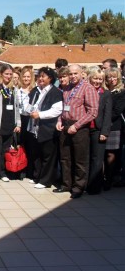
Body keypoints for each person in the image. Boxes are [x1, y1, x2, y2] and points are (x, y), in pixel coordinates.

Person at [54, 64, 99, 198]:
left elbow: (93, 112)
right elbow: (63, 107)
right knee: (65, 157)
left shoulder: (88, 88)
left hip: (79, 127)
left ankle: (78, 187)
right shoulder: (66, 88)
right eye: (71, 74)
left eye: (75, 73)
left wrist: (77, 125)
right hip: (65, 125)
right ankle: (66, 184)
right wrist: (59, 120)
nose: (73, 76)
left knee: (80, 159)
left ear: (81, 73)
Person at [26, 67, 63, 189]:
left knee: (48, 156)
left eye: (43, 76)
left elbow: (56, 110)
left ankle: (46, 180)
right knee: (37, 154)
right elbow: (29, 104)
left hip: (48, 129)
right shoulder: (36, 90)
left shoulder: (56, 92)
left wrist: (40, 115)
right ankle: (37, 177)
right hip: (35, 128)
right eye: (39, 76)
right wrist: (29, 110)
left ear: (50, 78)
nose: (40, 79)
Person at [86, 67, 112, 195]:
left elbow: (107, 114)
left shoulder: (105, 93)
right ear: (90, 78)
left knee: (97, 159)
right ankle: (85, 184)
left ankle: (94, 187)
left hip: (98, 129)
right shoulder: (85, 90)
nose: (97, 81)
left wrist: (104, 132)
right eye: (95, 78)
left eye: (100, 79)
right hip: (85, 129)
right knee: (87, 157)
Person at [104, 67, 125, 189]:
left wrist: (103, 119)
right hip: (102, 125)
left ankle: (110, 179)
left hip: (114, 126)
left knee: (111, 154)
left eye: (114, 77)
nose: (112, 79)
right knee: (102, 153)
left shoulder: (121, 92)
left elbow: (117, 111)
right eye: (109, 77)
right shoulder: (104, 91)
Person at [17, 66, 36, 179]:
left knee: (31, 146)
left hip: (32, 119)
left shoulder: (35, 90)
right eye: (24, 76)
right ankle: (20, 168)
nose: (26, 78)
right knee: (21, 145)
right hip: (21, 119)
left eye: (28, 76)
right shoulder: (17, 90)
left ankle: (30, 170)